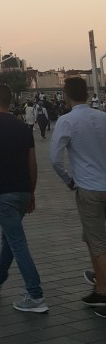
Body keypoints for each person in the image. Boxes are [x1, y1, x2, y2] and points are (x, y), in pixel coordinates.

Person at [0, 84, 48, 314]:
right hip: (23, 191)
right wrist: (31, 191)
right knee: (10, 236)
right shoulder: (23, 128)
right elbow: (32, 163)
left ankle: (35, 295)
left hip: (3, 192)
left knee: (17, 241)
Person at [50, 76, 106, 317]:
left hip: (88, 189)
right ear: (87, 93)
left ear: (66, 95)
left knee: (98, 243)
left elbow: (55, 158)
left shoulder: (67, 121)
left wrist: (68, 180)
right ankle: (100, 287)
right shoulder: (103, 117)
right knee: (92, 239)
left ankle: (105, 292)